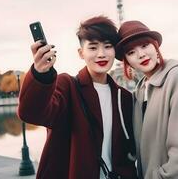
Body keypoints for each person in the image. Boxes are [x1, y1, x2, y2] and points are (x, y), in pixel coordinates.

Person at [17, 16, 137, 179]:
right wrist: (40, 74)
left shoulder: (124, 98)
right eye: (93, 48)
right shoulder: (67, 86)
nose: (101, 54)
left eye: (108, 46)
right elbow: (31, 113)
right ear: (81, 53)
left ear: (115, 51)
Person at [115, 20, 178, 179]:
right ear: (127, 61)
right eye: (131, 52)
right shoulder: (140, 91)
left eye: (144, 46)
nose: (141, 54)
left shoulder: (177, 77)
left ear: (155, 46)